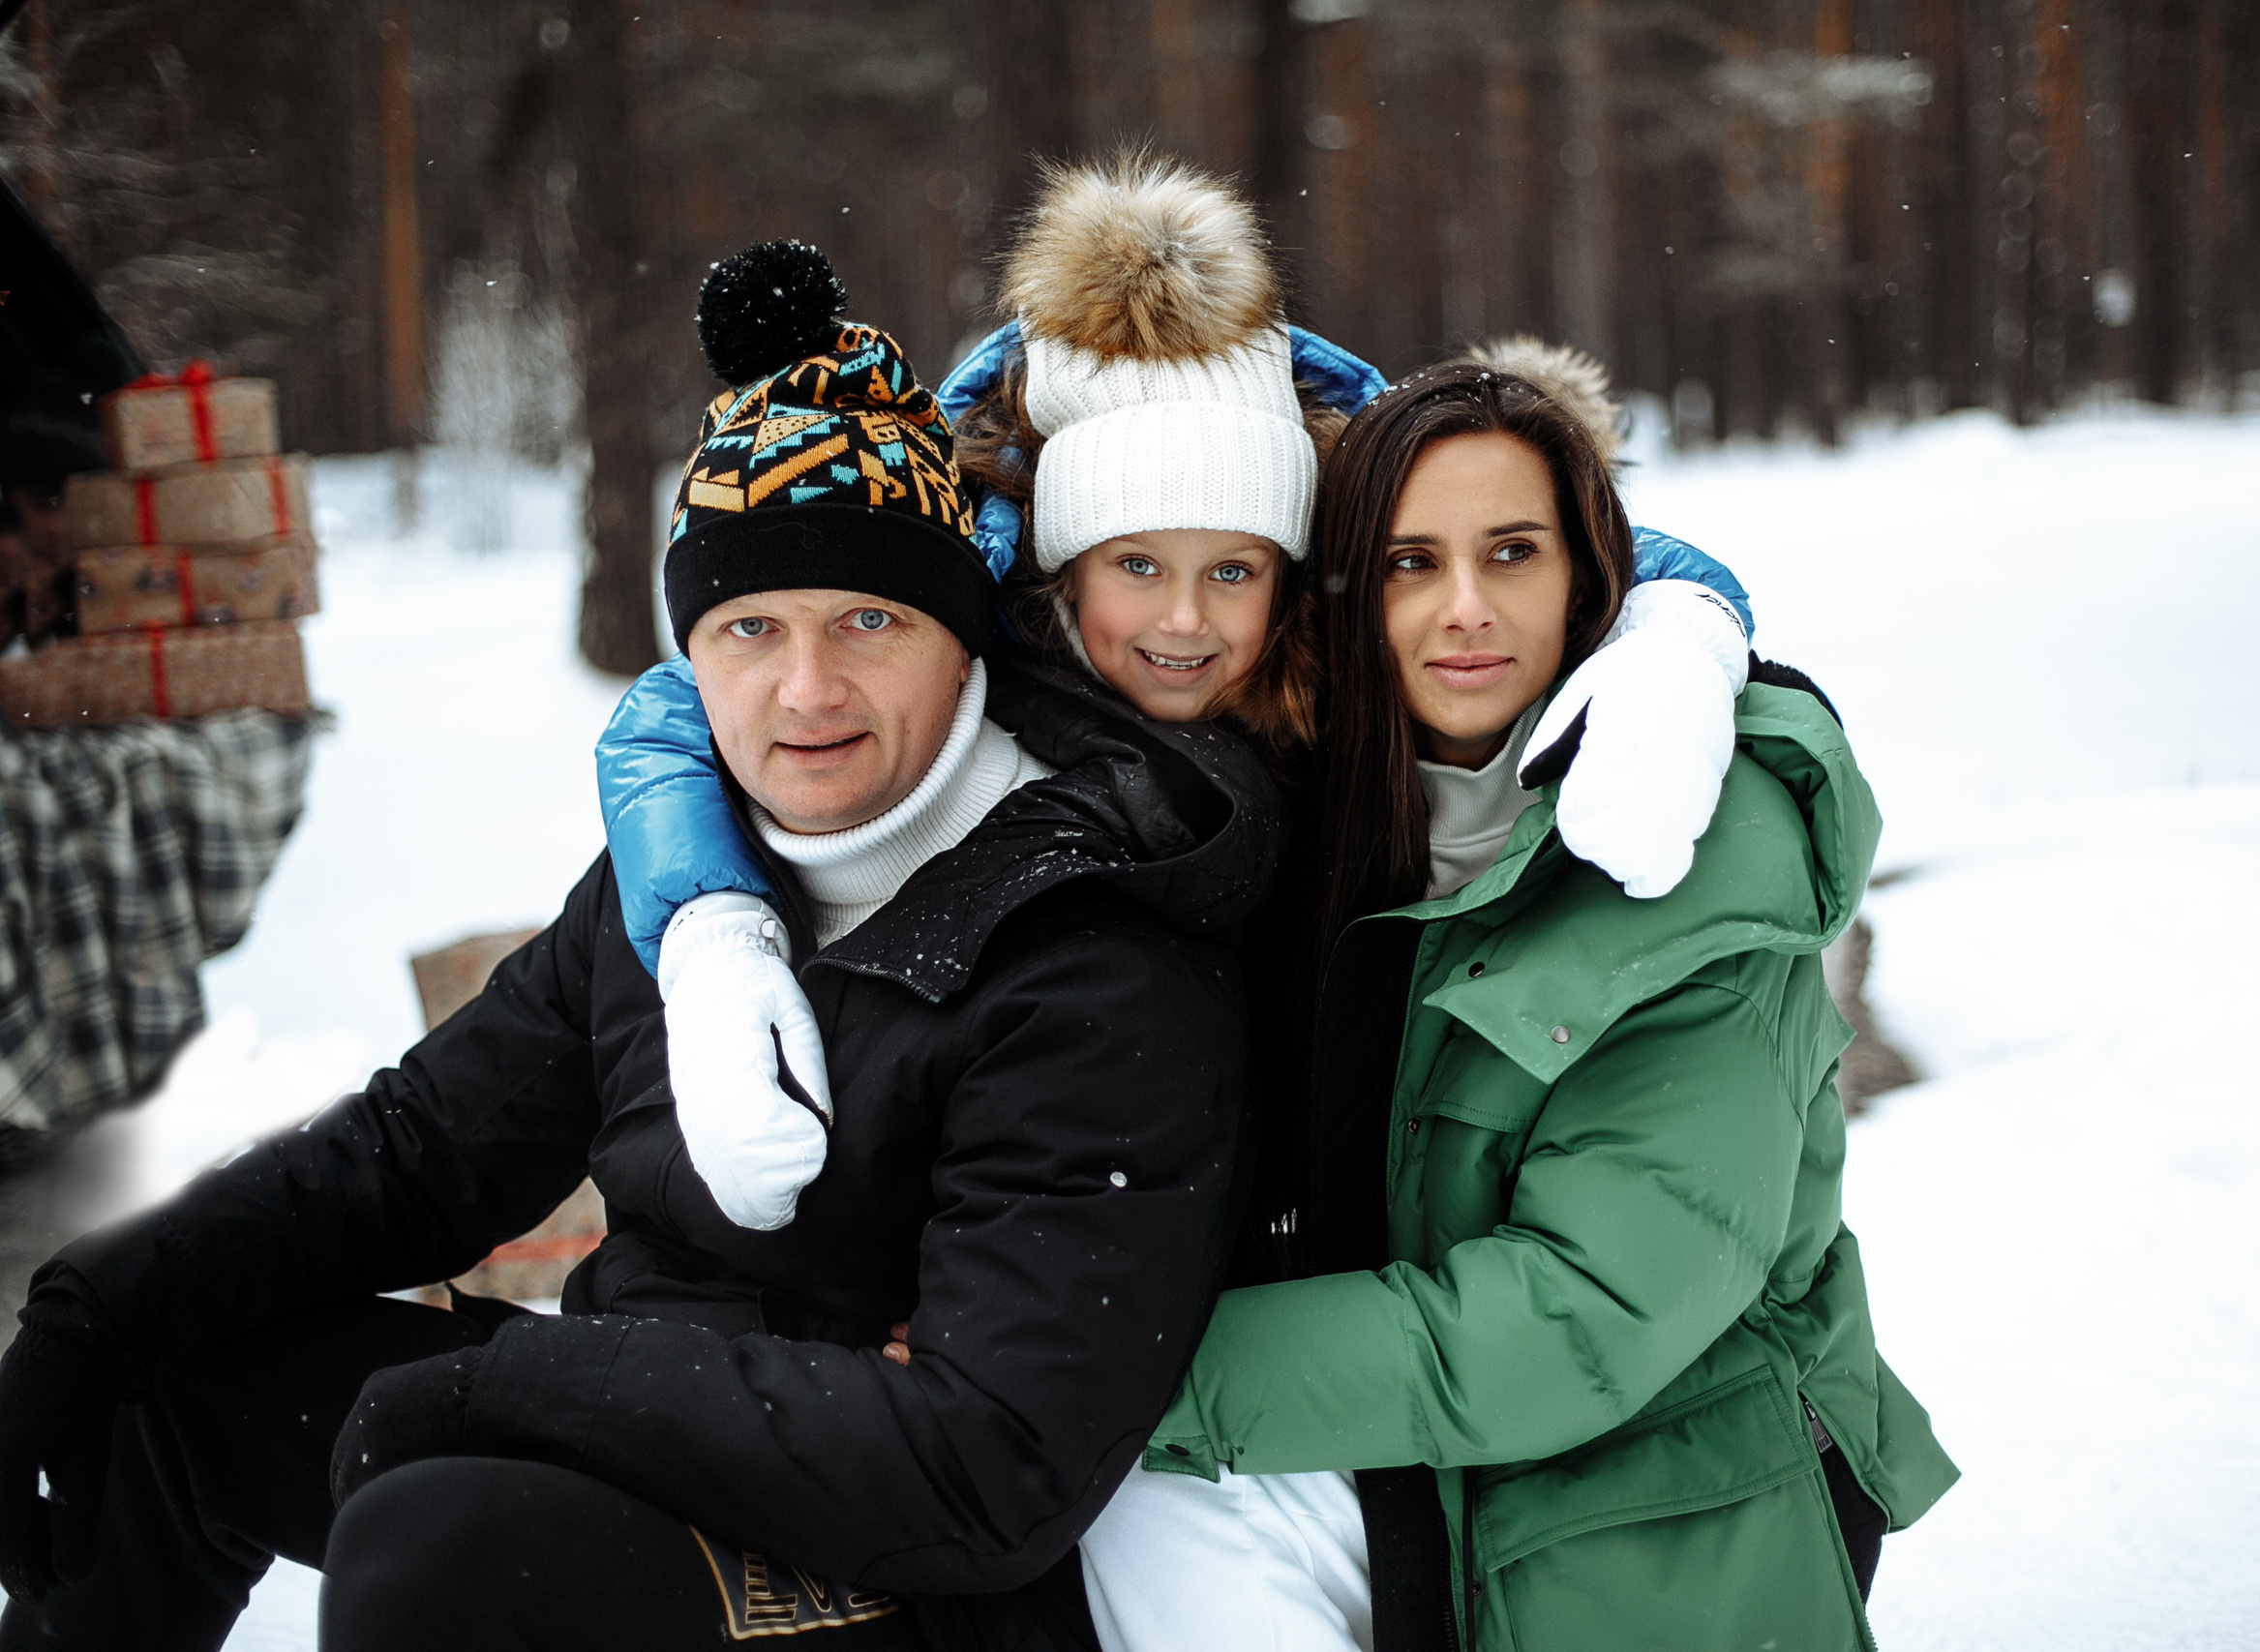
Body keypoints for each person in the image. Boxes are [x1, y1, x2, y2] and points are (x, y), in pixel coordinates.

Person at [0, 269, 1275, 1652]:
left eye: (869, 620)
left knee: (434, 1558)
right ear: (691, 657)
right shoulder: (681, 888)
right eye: (750, 628)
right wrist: (94, 1304)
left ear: (960, 643)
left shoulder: (1091, 953)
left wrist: (525, 1379)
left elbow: (990, 1462)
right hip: (653, 1423)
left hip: (910, 1565)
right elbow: (422, 1148)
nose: (806, 689)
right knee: (164, 1372)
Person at [598, 156, 1759, 1247]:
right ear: (1056, 564)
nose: (1184, 623)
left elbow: (1590, 554)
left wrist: (1681, 637)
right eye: (1136, 566)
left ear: (1297, 570)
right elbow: (681, 705)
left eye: (1233, 571)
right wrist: (711, 933)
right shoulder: (972, 612)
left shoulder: (1344, 620)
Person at [1077, 361, 1960, 1652]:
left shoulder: (1697, 840)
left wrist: (1112, 1377)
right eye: (1409, 562)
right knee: (1133, 1509)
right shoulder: (1330, 809)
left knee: (1151, 1464)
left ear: (1590, 578)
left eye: (1512, 552)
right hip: (1438, 1437)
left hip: (1670, 1483)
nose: (1466, 610)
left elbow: (1583, 1313)